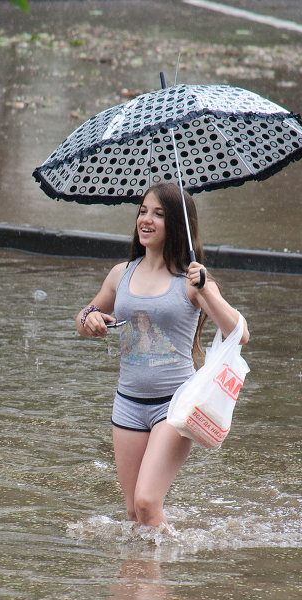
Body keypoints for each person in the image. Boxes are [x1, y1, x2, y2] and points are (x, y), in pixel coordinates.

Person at [77, 182, 250, 529]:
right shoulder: (120, 274)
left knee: (146, 502)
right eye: (143, 211)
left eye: (158, 214)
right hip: (127, 403)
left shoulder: (190, 280)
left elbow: (240, 334)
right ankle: (138, 581)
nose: (146, 219)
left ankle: (159, 578)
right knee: (132, 513)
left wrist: (206, 290)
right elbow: (84, 316)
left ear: (177, 224)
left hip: (173, 405)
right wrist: (89, 318)